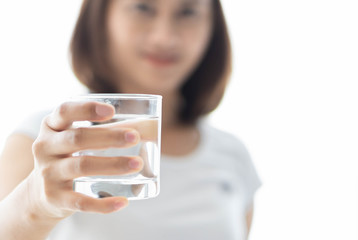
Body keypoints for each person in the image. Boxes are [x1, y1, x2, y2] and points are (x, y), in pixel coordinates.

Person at [0, 0, 261, 239]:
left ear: (212, 27)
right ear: (101, 16)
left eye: (188, 12)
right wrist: (34, 205)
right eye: (143, 8)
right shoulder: (46, 143)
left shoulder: (233, 155)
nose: (164, 37)